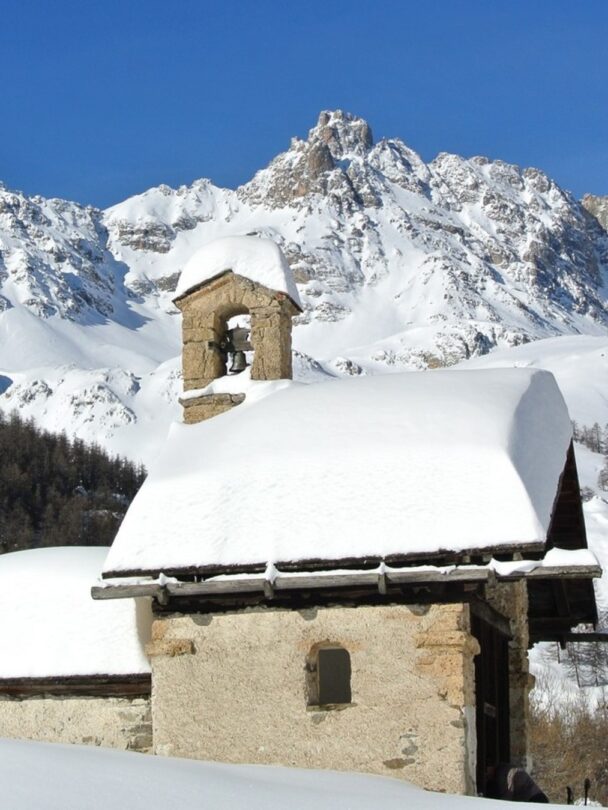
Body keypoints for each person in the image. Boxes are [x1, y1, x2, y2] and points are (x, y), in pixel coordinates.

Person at [485, 763, 549, 802]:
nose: (487, 776)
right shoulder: (508, 767)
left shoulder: (501, 773)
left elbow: (508, 791)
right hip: (537, 796)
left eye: (487, 773)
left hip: (533, 798)